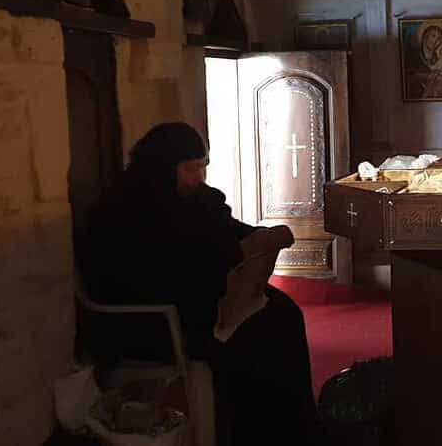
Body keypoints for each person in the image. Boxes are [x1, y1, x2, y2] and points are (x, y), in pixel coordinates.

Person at [85, 122, 323, 445]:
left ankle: (295, 430)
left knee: (284, 312)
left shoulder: (194, 198)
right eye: (189, 168)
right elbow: (167, 268)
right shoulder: (127, 210)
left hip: (203, 302)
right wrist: (236, 252)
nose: (198, 177)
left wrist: (263, 235)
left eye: (202, 167)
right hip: (156, 321)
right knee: (260, 338)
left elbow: (222, 230)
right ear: (163, 166)